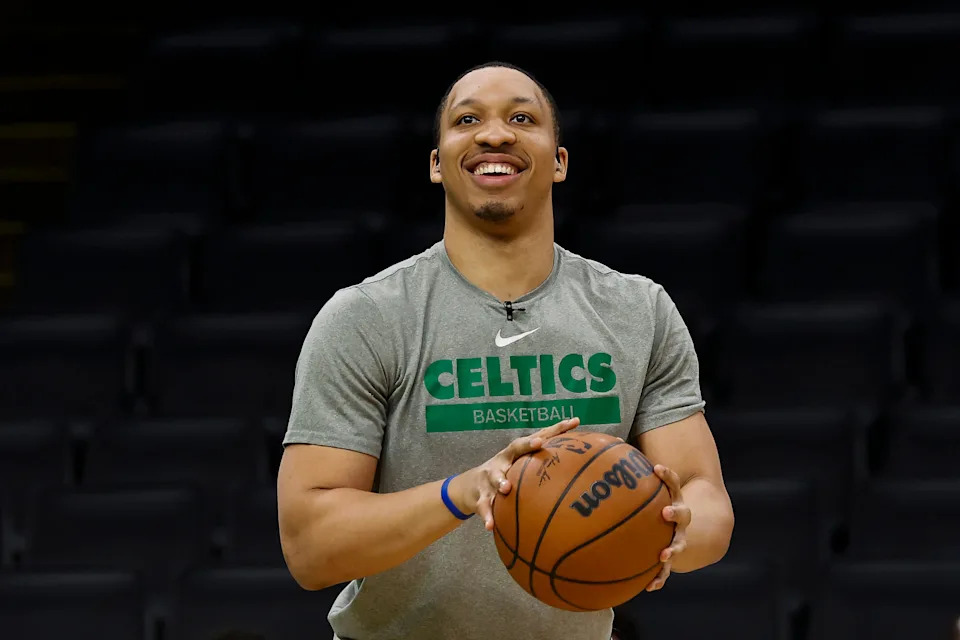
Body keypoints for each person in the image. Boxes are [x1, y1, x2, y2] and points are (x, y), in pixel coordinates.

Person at [277, 61, 735, 640]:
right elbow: (310, 547)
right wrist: (461, 493)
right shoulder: (366, 317)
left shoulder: (637, 310)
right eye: (467, 119)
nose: (495, 134)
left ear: (560, 162)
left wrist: (663, 528)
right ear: (437, 164)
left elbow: (709, 504)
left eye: (522, 117)